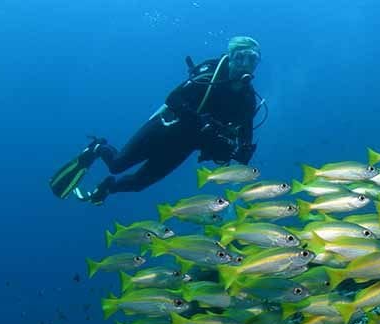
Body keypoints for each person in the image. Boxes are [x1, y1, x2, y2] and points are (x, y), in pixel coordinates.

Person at [49, 36, 263, 204]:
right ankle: (98, 148)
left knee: (138, 184)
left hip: (184, 147)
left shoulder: (247, 99)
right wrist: (199, 121)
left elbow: (246, 127)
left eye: (252, 59)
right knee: (117, 165)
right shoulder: (209, 75)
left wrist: (244, 149)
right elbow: (173, 98)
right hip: (164, 129)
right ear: (230, 57)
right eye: (240, 57)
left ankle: (107, 188)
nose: (246, 64)